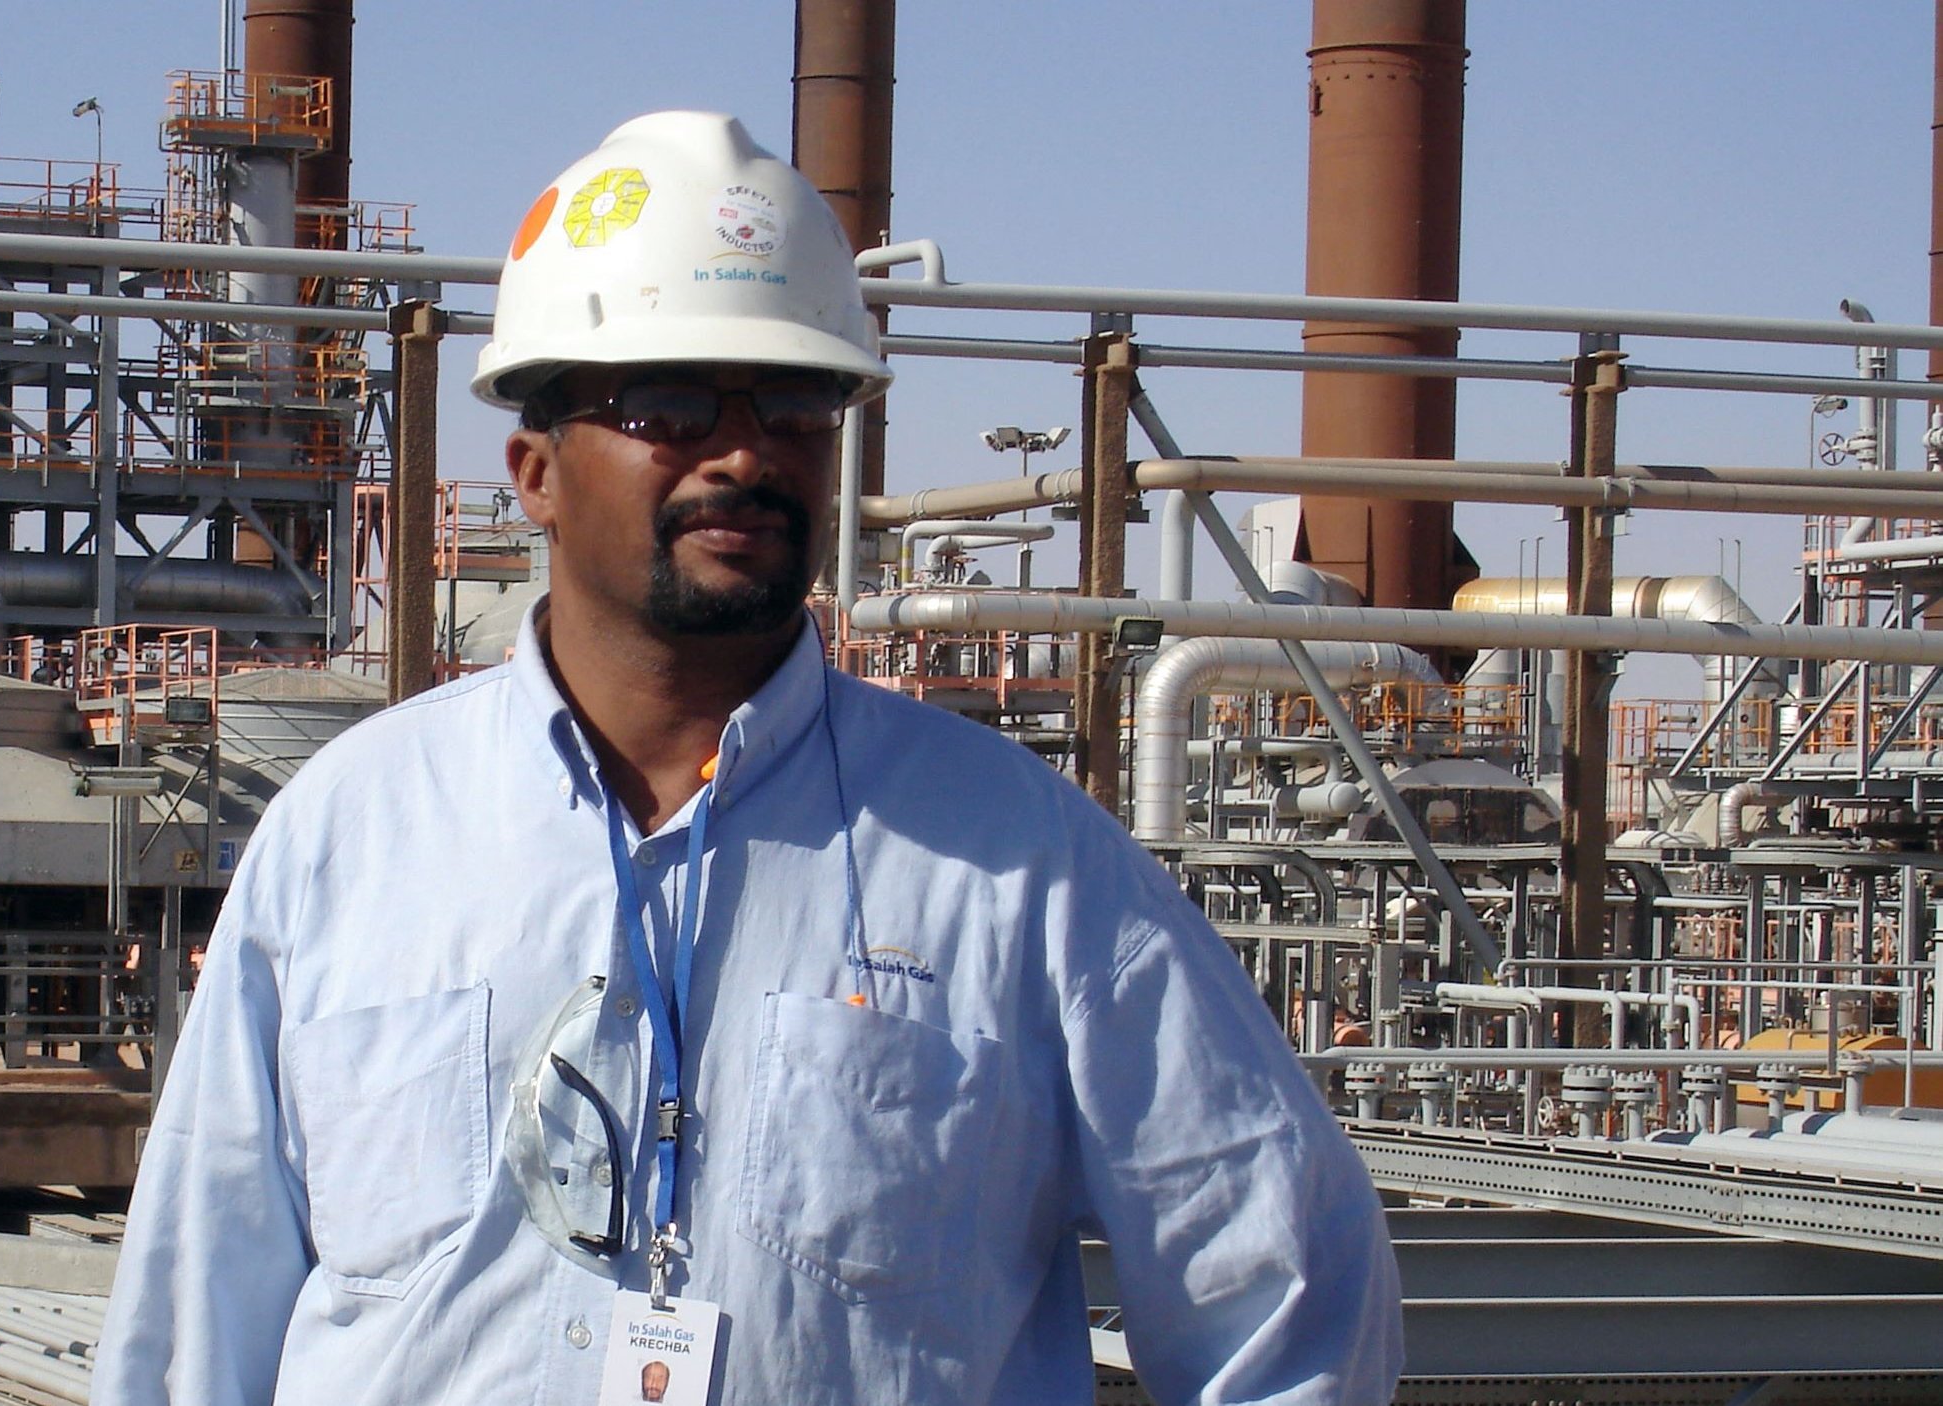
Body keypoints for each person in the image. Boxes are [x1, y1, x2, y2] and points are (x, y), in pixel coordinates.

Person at [95, 110, 1402, 1406]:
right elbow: (187, 1336)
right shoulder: (349, 844)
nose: (743, 451)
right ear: (535, 469)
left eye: (793, 400)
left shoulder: (1019, 869)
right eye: (667, 402)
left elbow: (1292, 1300)